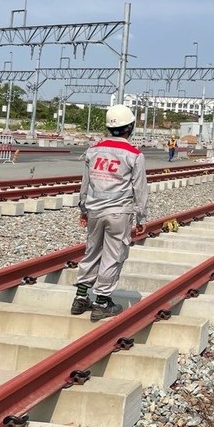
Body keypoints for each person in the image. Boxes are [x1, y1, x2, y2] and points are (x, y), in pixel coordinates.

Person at [72, 104, 149, 322]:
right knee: (113, 255)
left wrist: (83, 209)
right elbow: (140, 188)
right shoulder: (134, 155)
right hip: (118, 213)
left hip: (94, 210)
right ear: (130, 127)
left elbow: (85, 183)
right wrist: (142, 216)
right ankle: (102, 301)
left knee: (92, 251)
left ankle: (80, 297)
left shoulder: (93, 150)